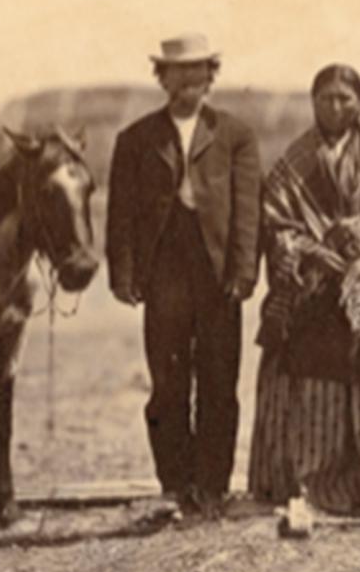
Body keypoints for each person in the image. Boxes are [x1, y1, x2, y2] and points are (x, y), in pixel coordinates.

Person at [248, 64, 360, 516]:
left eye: (346, 98)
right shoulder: (295, 160)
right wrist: (308, 250)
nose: (336, 106)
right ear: (313, 102)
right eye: (326, 98)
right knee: (316, 392)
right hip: (316, 292)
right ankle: (317, 482)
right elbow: (276, 221)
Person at [106, 33, 261, 516]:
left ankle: (212, 487)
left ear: (211, 75)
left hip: (217, 274)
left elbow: (247, 211)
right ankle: (174, 485)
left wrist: (244, 271)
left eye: (198, 71)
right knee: (168, 382)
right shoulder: (136, 139)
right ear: (163, 77)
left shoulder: (236, 135)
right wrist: (124, 274)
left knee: (219, 380)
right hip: (164, 269)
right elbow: (121, 215)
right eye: (178, 72)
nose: (189, 81)